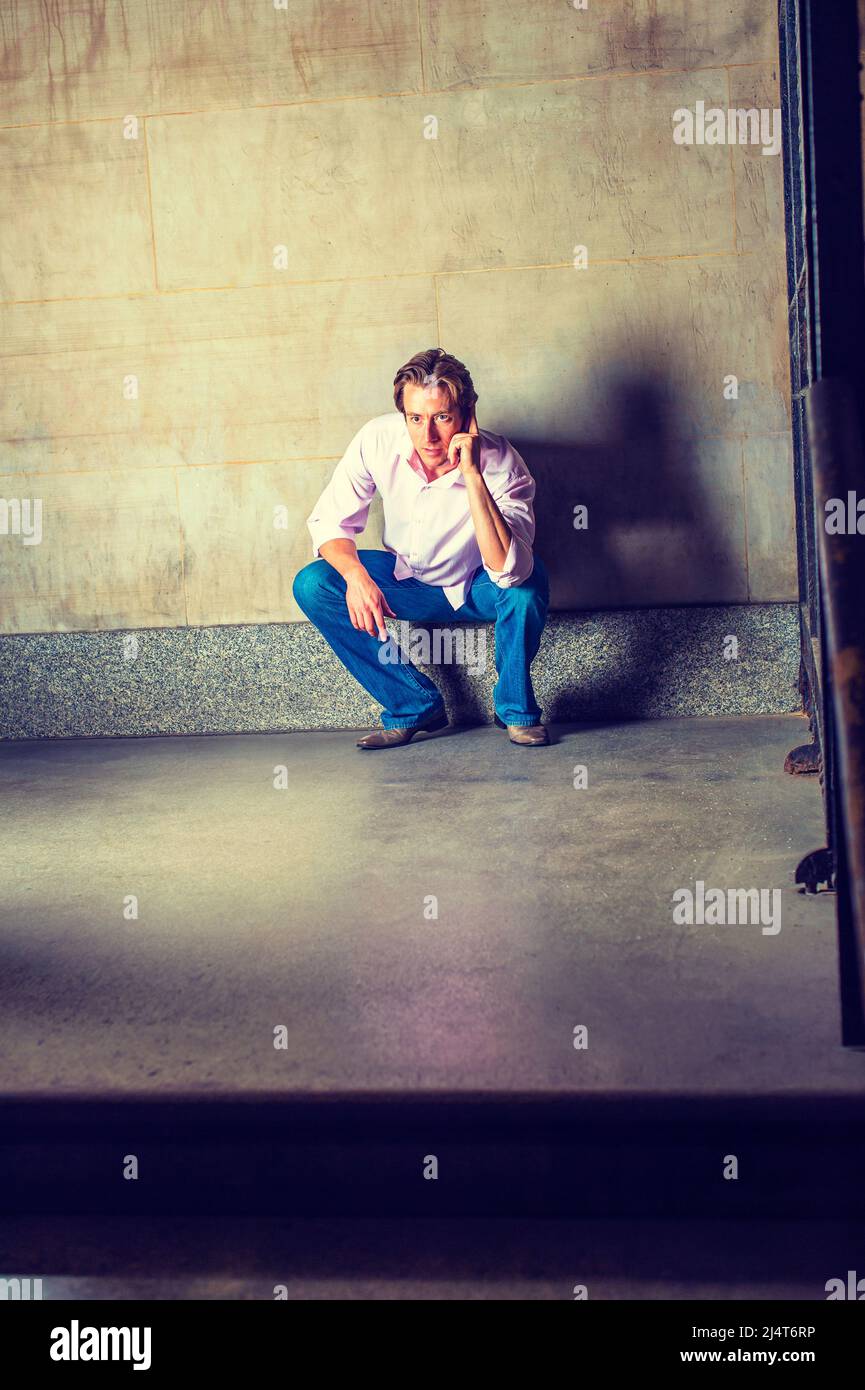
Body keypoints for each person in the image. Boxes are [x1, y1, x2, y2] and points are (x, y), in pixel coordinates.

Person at [292, 348, 550, 749]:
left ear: (467, 413)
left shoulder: (502, 463)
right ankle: (413, 706)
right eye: (415, 418)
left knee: (528, 583)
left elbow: (509, 570)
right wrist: (356, 577)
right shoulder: (377, 439)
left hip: (478, 588)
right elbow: (329, 521)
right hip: (405, 583)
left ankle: (514, 709)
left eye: (442, 417)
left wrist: (473, 475)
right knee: (314, 583)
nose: (427, 436)